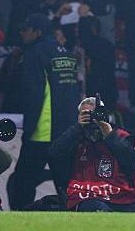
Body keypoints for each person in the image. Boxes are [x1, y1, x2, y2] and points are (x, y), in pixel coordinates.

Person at [8, 13, 81, 210]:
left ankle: (20, 224)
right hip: (67, 132)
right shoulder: (66, 52)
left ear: (37, 32)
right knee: (69, 188)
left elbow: (32, 93)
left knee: (22, 184)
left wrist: (29, 128)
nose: (22, 33)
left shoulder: (34, 53)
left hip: (42, 131)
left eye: (25, 30)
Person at [49, 97, 135, 212]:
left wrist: (109, 135)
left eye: (96, 113)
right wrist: (77, 128)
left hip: (123, 198)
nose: (93, 118)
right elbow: (54, 154)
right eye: (87, 114)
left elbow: (131, 161)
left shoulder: (120, 136)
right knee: (100, 212)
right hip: (87, 197)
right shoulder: (75, 138)